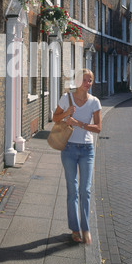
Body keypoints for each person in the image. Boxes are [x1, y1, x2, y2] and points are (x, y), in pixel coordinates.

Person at [53, 69, 102, 245]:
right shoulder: (66, 99)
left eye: (90, 81)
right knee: (72, 190)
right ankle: (75, 229)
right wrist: (67, 114)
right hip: (69, 149)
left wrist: (78, 124)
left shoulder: (95, 102)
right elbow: (54, 117)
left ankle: (86, 227)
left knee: (85, 190)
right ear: (77, 81)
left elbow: (98, 128)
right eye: (84, 80)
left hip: (87, 149)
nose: (87, 83)